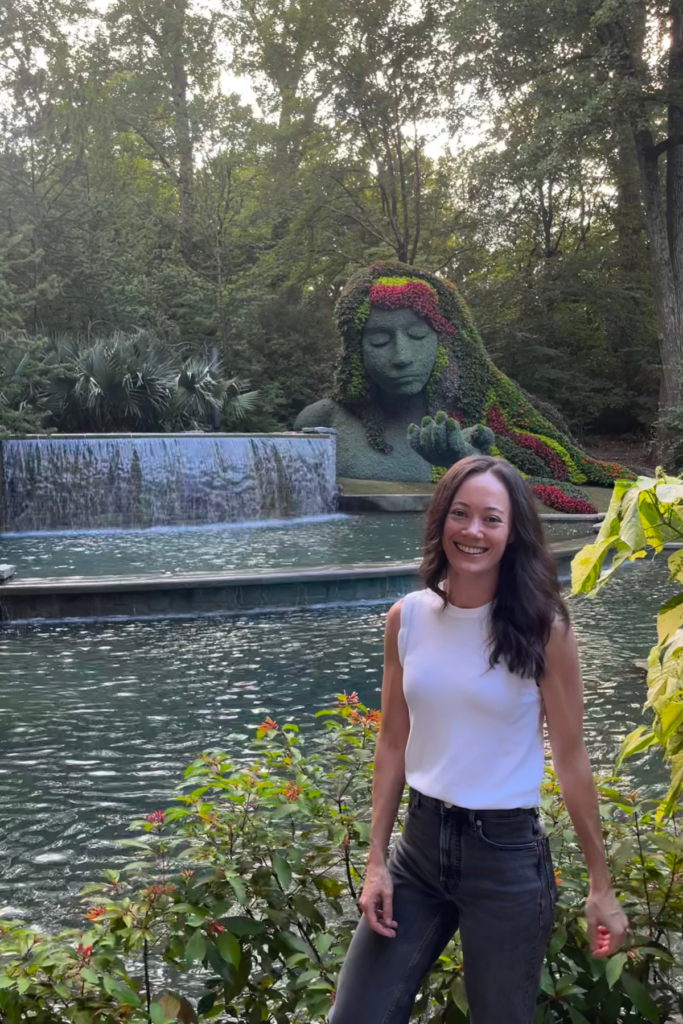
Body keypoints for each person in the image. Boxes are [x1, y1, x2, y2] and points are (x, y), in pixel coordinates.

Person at [330, 455, 628, 1024]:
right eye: (460, 514)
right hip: (417, 850)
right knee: (357, 1015)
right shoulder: (407, 618)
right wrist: (375, 861)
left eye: (491, 518)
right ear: (440, 520)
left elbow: (570, 758)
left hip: (506, 857)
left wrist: (600, 884)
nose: (472, 531)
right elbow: (392, 742)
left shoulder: (545, 630)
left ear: (513, 532)